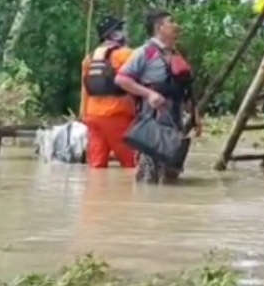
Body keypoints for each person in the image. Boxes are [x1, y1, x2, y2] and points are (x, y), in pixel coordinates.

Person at [114, 10, 201, 184]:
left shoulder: (177, 53)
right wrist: (149, 94)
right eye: (171, 22)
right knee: (148, 180)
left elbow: (186, 89)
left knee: (171, 177)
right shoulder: (144, 52)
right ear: (159, 27)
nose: (176, 25)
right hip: (153, 125)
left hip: (175, 124)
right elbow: (121, 79)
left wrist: (196, 116)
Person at [80, 16, 137, 169]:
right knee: (132, 164)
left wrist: (83, 116)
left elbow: (85, 90)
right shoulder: (125, 55)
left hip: (92, 116)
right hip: (116, 115)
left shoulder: (88, 58)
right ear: (115, 35)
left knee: (96, 166)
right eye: (121, 30)